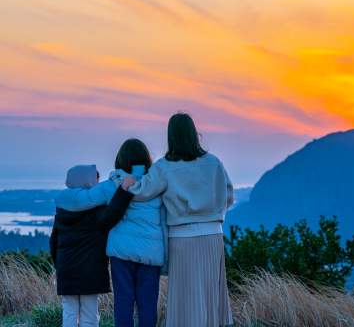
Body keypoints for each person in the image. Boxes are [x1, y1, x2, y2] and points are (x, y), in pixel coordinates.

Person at [128, 112, 234, 327]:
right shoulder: (214, 163)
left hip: (183, 238)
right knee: (209, 293)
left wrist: (122, 179)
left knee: (186, 295)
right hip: (213, 236)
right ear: (194, 133)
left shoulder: (164, 166)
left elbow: (140, 193)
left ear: (171, 136)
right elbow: (229, 195)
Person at [55, 139, 168, 327]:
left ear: (120, 159)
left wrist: (60, 198)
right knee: (148, 307)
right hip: (151, 254)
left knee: (123, 306)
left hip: (121, 254)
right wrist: (165, 256)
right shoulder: (158, 185)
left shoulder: (111, 185)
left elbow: (84, 198)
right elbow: (164, 222)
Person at [50, 165, 136, 327]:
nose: (97, 183)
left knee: (69, 313)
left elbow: (53, 241)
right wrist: (124, 190)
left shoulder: (62, 209)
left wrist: (59, 266)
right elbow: (111, 216)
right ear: (88, 182)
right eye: (95, 180)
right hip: (90, 270)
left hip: (66, 269)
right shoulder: (95, 209)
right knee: (89, 315)